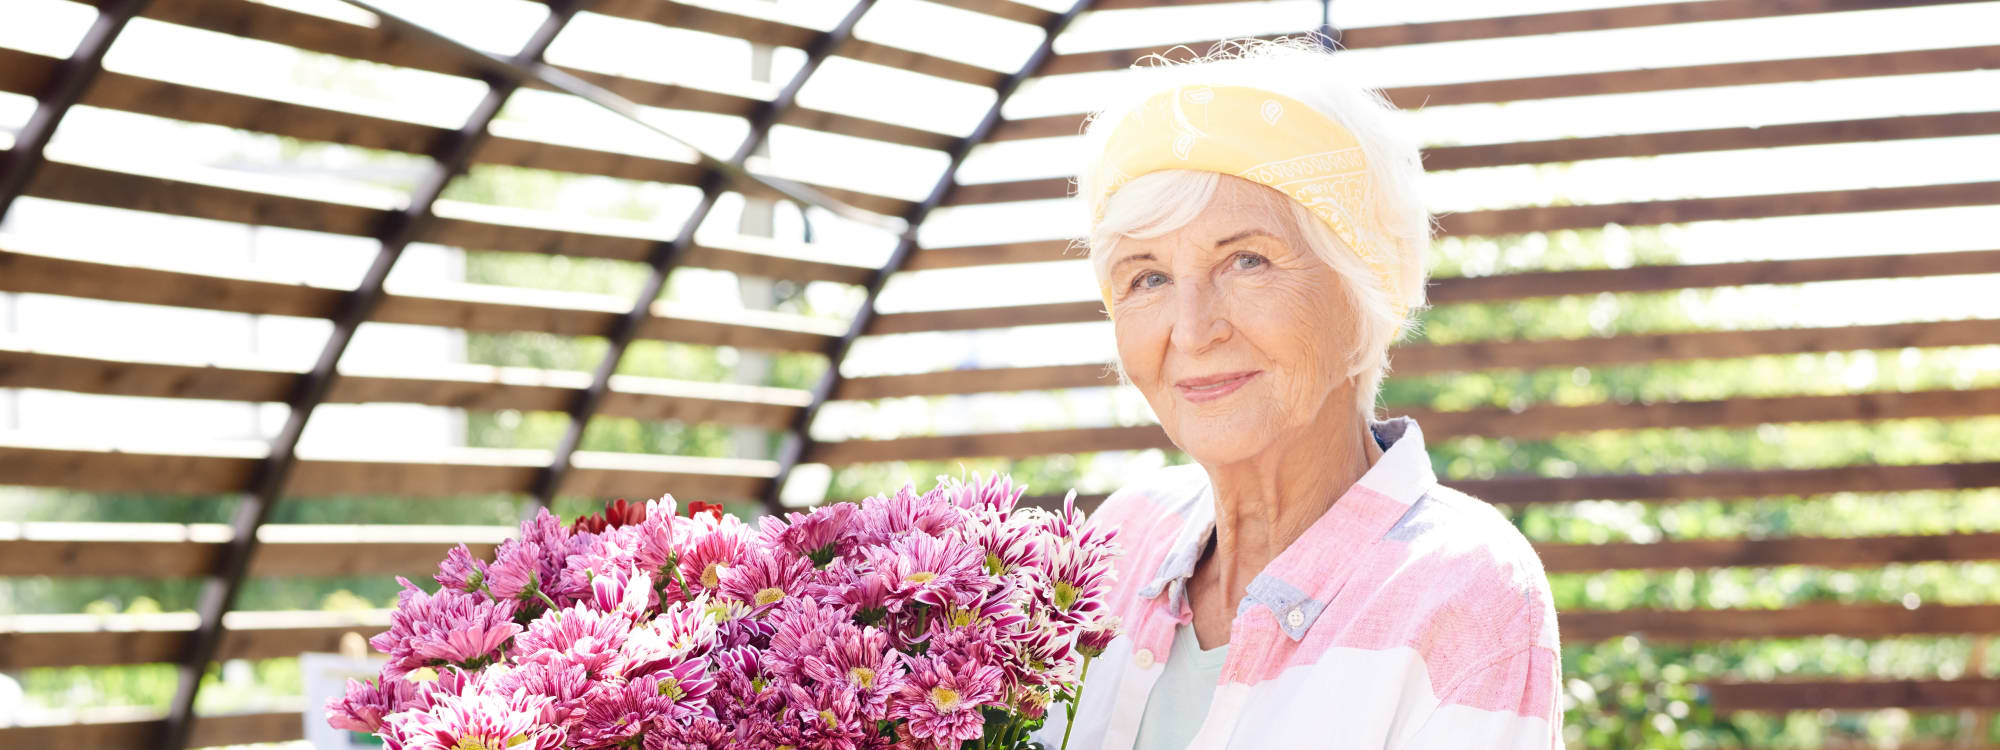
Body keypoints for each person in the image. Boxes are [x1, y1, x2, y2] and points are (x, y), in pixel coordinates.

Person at [1029, 39, 1564, 749]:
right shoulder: (1119, 541)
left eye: (1247, 260)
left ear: (1364, 286)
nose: (1191, 331)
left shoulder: (1464, 591)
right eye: (1147, 277)